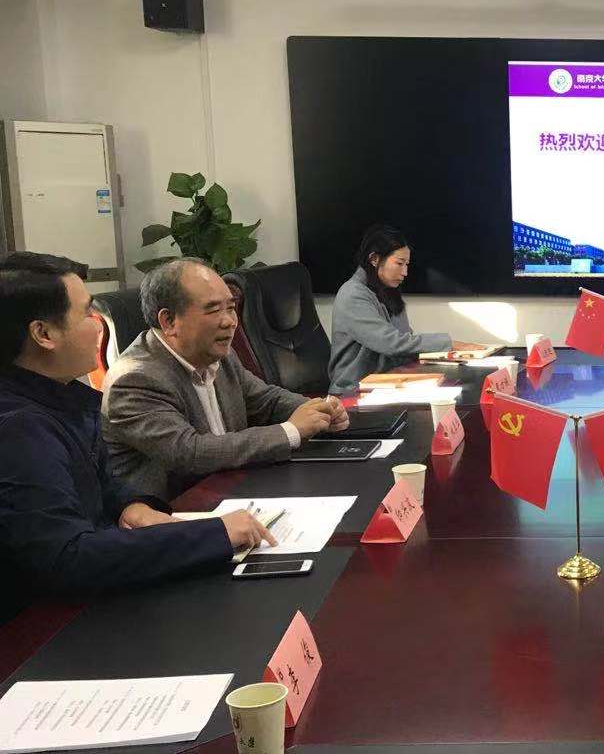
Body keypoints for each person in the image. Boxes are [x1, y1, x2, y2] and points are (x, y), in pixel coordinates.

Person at [0, 252, 275, 622]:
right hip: (44, 627)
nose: (97, 325)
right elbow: (67, 557)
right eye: (86, 313)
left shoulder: (63, 399)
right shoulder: (18, 429)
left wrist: (131, 507)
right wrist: (214, 535)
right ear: (44, 334)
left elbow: (100, 485)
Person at [102, 257, 350, 499]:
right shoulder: (133, 379)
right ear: (169, 321)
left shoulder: (219, 354)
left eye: (231, 308)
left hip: (235, 488)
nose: (230, 322)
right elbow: (190, 452)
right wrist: (291, 431)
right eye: (213, 310)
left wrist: (318, 410)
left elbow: (266, 400)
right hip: (178, 510)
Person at [328, 226, 487, 393]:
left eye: (407, 264)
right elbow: (390, 343)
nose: (405, 272)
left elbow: (405, 341)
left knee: (458, 386)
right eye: (399, 263)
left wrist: (446, 355)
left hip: (390, 381)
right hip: (353, 390)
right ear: (374, 259)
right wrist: (450, 344)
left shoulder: (388, 291)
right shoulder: (352, 294)